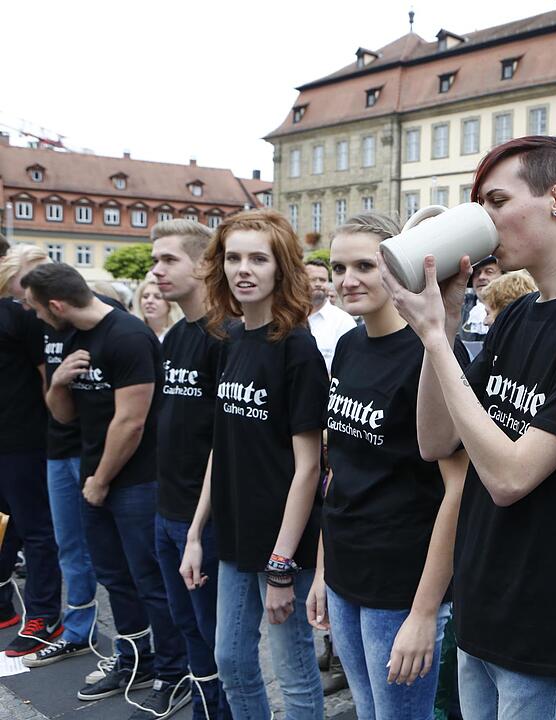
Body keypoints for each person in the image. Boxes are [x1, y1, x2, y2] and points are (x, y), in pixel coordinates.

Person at [381, 136, 556, 720]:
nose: (486, 220)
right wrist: (445, 324)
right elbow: (435, 440)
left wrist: (434, 340)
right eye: (480, 206)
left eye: (497, 202)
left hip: (540, 619)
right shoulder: (521, 314)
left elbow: (508, 478)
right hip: (481, 599)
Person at [305, 213, 470, 719]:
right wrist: (322, 570)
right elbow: (338, 470)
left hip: (400, 581)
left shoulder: (434, 352)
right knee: (368, 711)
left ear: (399, 267)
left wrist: (425, 612)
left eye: (365, 266)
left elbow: (458, 489)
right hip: (345, 569)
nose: (347, 280)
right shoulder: (349, 345)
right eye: (338, 267)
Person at [22, 263, 189, 715]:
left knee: (151, 581)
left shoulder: (128, 336)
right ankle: (136, 660)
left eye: (36, 309)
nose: (35, 317)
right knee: (114, 578)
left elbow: (131, 422)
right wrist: (58, 382)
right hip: (97, 476)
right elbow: (64, 416)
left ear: (56, 305)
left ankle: (174, 672)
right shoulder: (73, 338)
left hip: (138, 480)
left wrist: (100, 481)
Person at [182, 209, 326, 719]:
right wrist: (196, 533)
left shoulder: (298, 349)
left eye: (258, 259)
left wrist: (282, 565)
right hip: (234, 533)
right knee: (231, 660)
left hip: (283, 541)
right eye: (233, 258)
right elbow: (222, 446)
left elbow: (309, 467)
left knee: (293, 669)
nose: (243, 269)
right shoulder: (229, 339)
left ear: (280, 268)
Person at [2, 246, 124, 669]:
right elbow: (53, 393)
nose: (25, 304)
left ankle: (135, 650)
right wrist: (58, 389)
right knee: (69, 545)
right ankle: (74, 628)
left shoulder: (101, 319)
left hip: (86, 449)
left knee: (108, 556)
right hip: (56, 446)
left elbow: (122, 404)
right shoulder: (40, 321)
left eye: (28, 293)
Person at [149, 219, 232, 720]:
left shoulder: (225, 336)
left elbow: (226, 441)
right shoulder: (176, 335)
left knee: (215, 634)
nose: (156, 271)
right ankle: (204, 708)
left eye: (168, 259)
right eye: (154, 261)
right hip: (167, 508)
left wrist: (198, 527)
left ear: (203, 265)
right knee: (187, 626)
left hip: (204, 517)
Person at [0, 248, 63, 659]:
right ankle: (3, 602)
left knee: (36, 527)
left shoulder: (23, 315)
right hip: (9, 439)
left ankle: (43, 616)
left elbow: (47, 379)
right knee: (6, 523)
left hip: (25, 438)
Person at [306, 257, 359, 374]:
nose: (318, 284)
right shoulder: (291, 319)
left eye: (322, 280)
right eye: (312, 279)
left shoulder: (343, 321)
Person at [459, 256, 503, 342]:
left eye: (489, 272)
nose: (481, 277)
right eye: (477, 273)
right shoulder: (459, 309)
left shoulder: (514, 308)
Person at [134, 277, 179, 342]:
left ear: (170, 304)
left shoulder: (178, 334)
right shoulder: (132, 332)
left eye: (157, 297)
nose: (149, 301)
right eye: (145, 296)